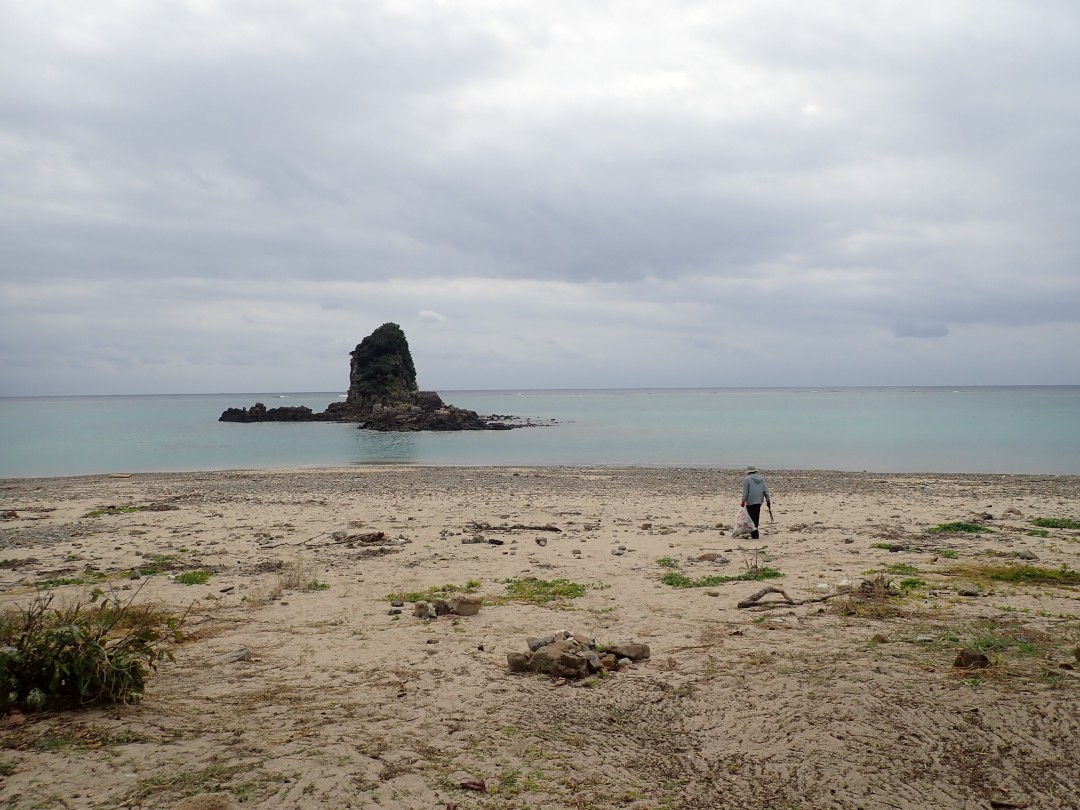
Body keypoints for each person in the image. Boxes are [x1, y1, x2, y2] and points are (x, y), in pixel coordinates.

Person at [741, 466, 771, 540]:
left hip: (750, 501)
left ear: (748, 472)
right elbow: (765, 490)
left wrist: (743, 501)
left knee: (751, 518)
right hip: (759, 501)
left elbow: (745, 492)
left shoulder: (747, 479)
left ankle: (755, 535)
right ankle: (754, 534)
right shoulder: (761, 479)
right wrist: (768, 500)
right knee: (756, 517)